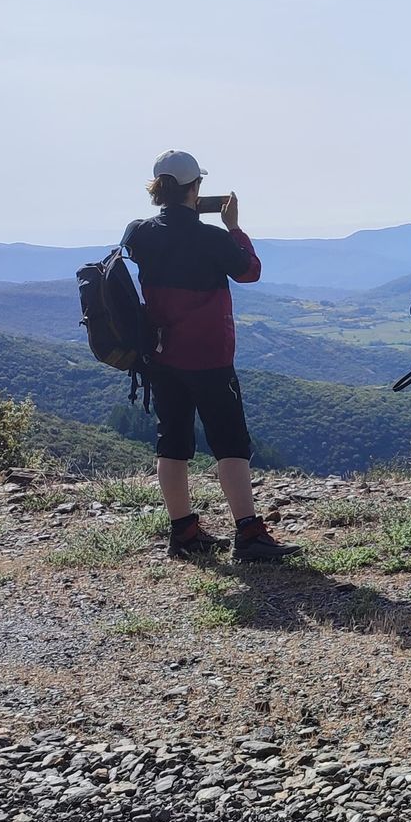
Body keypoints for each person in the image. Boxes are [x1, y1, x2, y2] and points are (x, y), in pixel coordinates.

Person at [122, 151, 296, 564]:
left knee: (173, 442)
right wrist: (233, 226)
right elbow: (249, 270)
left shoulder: (138, 233)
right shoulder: (212, 238)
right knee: (230, 442)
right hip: (210, 356)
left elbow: (150, 239)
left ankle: (183, 531)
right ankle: (249, 534)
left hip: (161, 355)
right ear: (195, 189)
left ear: (158, 188)